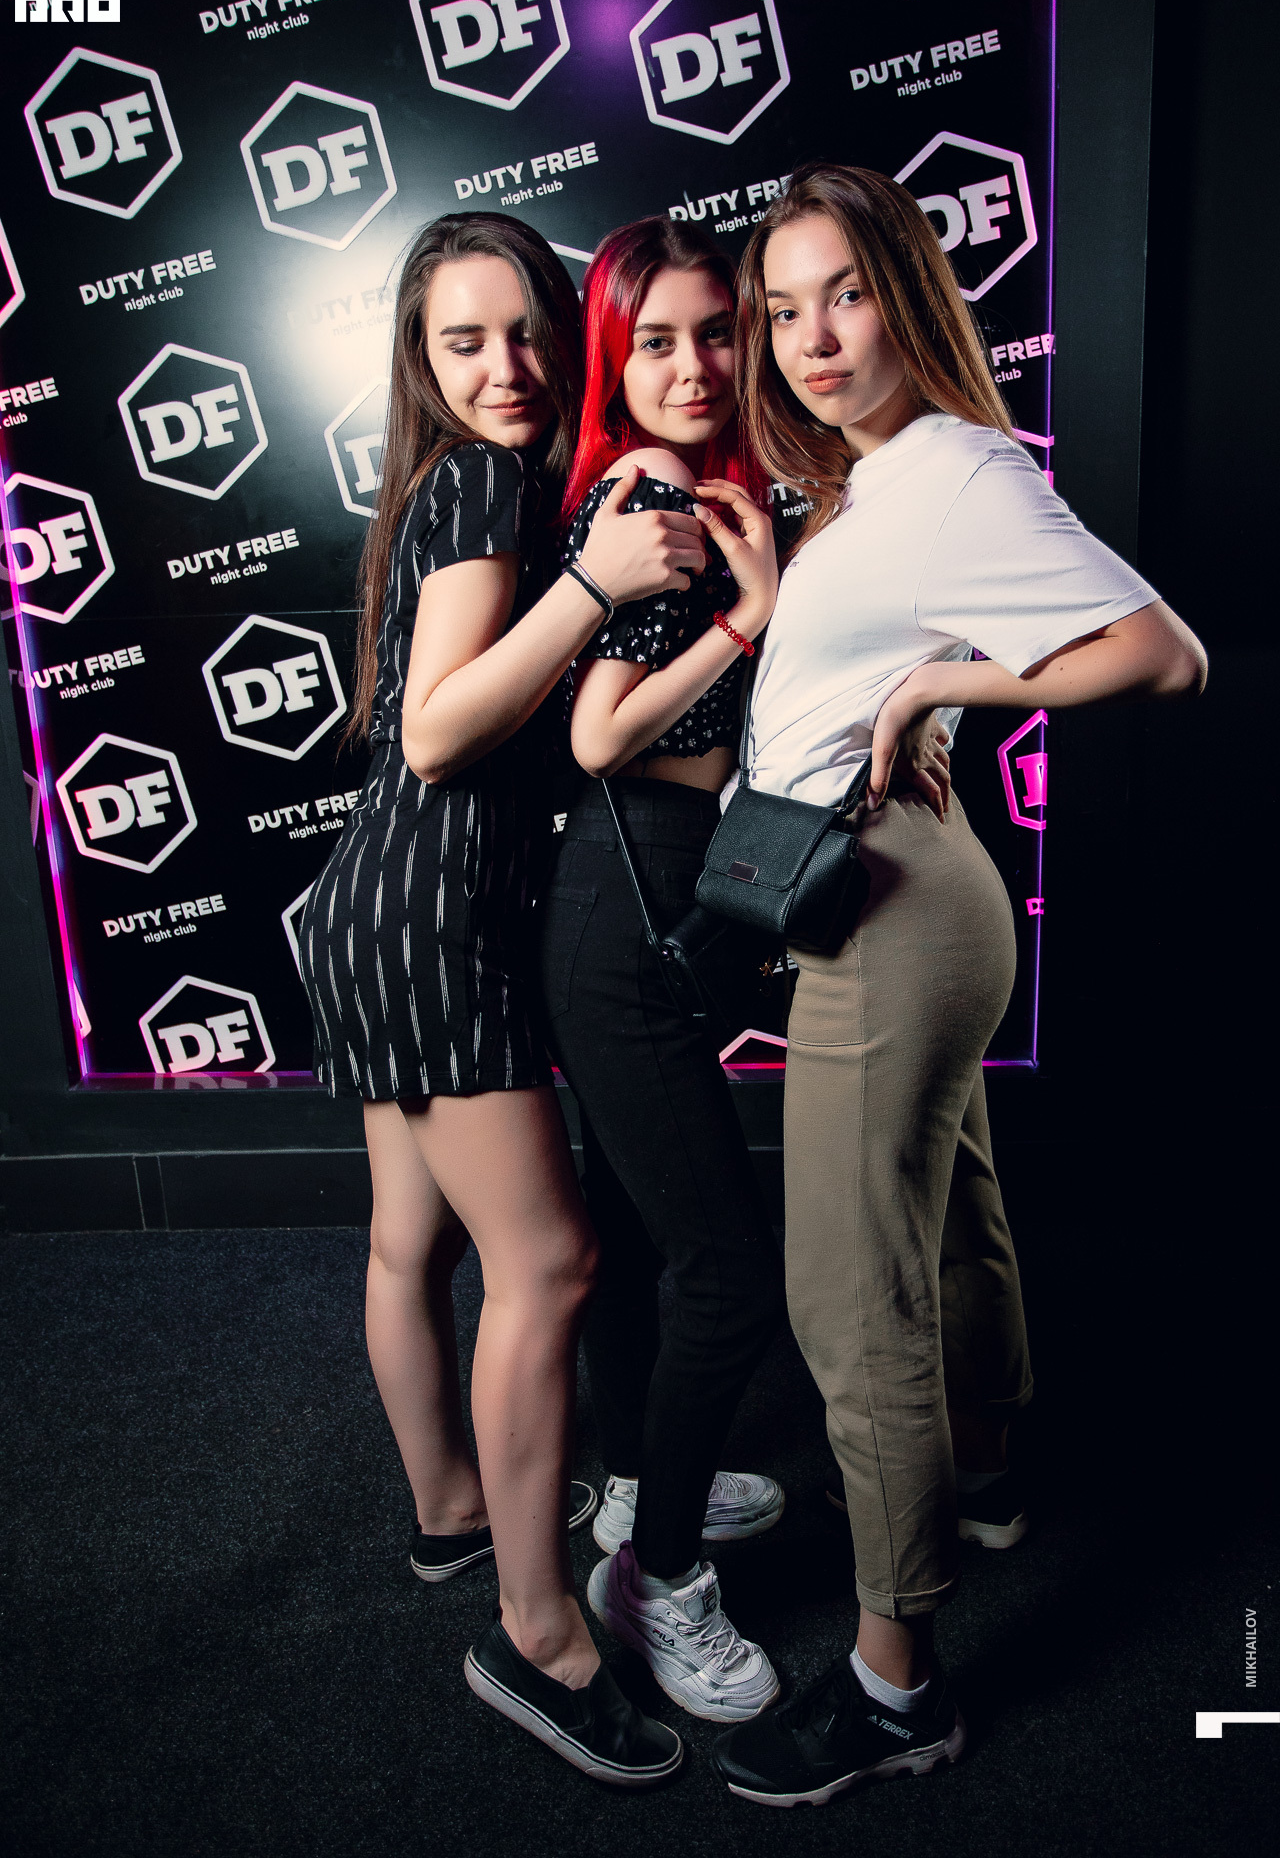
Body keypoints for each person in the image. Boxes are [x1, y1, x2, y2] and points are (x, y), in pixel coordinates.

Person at [706, 164, 1206, 1807]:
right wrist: (859, 656)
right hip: (911, 892)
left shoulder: (958, 472)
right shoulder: (876, 481)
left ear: (910, 295)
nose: (811, 339)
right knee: (953, 1211)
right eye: (784, 310)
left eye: (845, 294)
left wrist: (942, 682)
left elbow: (1164, 654)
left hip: (893, 917)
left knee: (853, 1296)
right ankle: (982, 1472)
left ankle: (894, 1682)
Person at [300, 212, 706, 1787]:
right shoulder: (483, 485)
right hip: (433, 919)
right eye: (463, 342)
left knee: (411, 1242)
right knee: (551, 1263)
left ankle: (453, 1514)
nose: (507, 367)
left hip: (369, 911)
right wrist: (596, 583)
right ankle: (539, 1637)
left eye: (528, 328)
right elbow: (434, 732)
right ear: (421, 359)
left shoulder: (448, 485)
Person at [537, 218, 788, 1723]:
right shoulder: (651, 497)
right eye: (656, 343)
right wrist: (751, 621)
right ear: (613, 365)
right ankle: (660, 1577)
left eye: (716, 332)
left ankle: (641, 1485)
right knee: (728, 1273)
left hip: (644, 903)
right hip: (621, 912)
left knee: (640, 1237)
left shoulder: (713, 485)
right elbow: (600, 733)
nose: (692, 366)